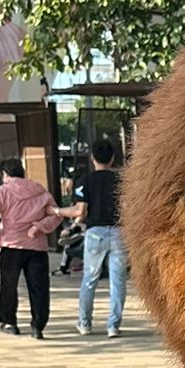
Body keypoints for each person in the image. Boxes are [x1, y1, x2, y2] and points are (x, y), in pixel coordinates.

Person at [0, 159, 63, 338]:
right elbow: (57, 215)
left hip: (11, 245)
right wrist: (39, 227)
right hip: (37, 246)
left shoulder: (3, 191)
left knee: (9, 285)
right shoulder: (41, 190)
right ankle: (38, 325)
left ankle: (9, 322)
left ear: (5, 175)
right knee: (39, 287)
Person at [74, 137, 126, 336]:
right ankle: (113, 325)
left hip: (95, 233)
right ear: (112, 159)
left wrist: (57, 212)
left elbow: (81, 211)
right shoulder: (121, 180)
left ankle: (85, 323)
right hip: (119, 231)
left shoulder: (85, 181)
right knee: (118, 281)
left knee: (90, 279)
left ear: (92, 158)